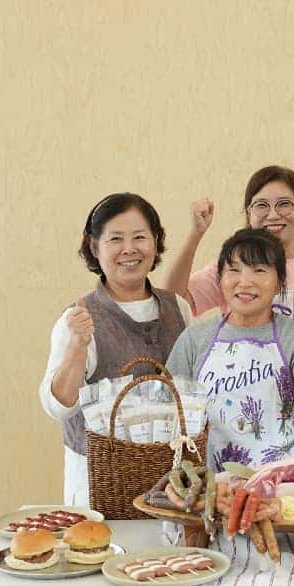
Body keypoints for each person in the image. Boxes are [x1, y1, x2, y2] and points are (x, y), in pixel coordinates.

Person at [39, 193, 193, 505]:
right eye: (115, 239)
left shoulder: (179, 308)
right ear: (95, 248)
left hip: (172, 484)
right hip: (100, 485)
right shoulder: (78, 317)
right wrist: (76, 347)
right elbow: (58, 406)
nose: (129, 249)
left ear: (156, 242)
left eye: (140, 237)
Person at [166, 228, 294, 471]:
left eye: (260, 270)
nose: (245, 282)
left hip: (282, 481)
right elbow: (168, 410)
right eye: (234, 270)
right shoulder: (195, 337)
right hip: (210, 485)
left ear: (279, 282)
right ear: (220, 279)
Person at [164, 165, 294, 322]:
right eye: (261, 205)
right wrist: (196, 233)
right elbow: (171, 301)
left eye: (284, 204)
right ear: (249, 215)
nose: (273, 215)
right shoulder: (229, 270)